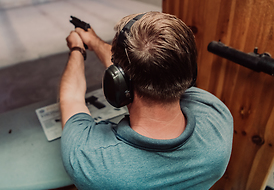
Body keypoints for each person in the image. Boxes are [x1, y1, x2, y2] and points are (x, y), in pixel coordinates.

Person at [59, 11, 233, 189]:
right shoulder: (216, 117)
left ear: (117, 83)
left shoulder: (91, 161)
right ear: (190, 73)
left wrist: (77, 48)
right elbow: (143, 70)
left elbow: (71, 99)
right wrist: (93, 41)